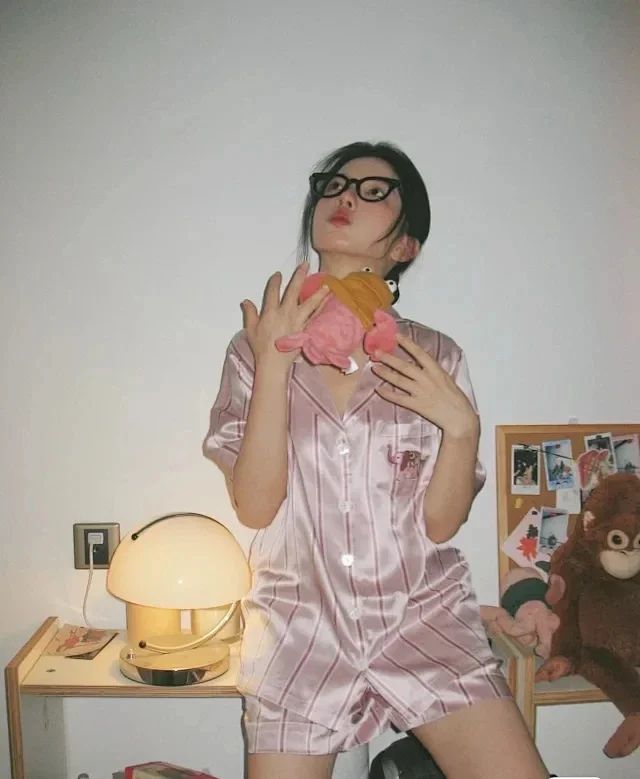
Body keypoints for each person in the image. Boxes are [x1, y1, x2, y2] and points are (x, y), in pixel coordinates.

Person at [203, 141, 550, 779]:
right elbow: (255, 507)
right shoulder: (254, 348)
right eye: (334, 185)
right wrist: (275, 366)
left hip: (424, 617)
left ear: (405, 246)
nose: (345, 197)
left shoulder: (433, 356)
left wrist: (463, 429)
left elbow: (440, 525)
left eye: (373, 191)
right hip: (298, 629)